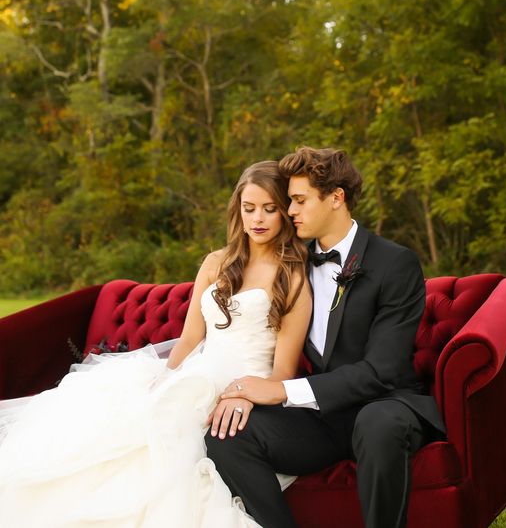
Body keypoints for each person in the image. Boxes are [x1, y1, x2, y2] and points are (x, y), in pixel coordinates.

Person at [0, 160, 312, 528]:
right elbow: (192, 337)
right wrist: (165, 377)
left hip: (242, 387)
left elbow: (284, 372)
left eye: (269, 209)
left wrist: (245, 394)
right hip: (197, 373)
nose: (257, 218)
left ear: (285, 212)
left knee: (174, 454)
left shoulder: (292, 275)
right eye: (249, 208)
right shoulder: (217, 262)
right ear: (237, 211)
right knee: (121, 420)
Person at [208, 146, 445, 528]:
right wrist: (249, 395)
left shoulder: (394, 263)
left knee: (377, 422)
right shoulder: (291, 261)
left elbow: (381, 370)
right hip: (325, 418)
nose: (291, 211)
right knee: (227, 436)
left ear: (337, 198)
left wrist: (282, 392)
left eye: (299, 201)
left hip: (386, 403)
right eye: (289, 202)